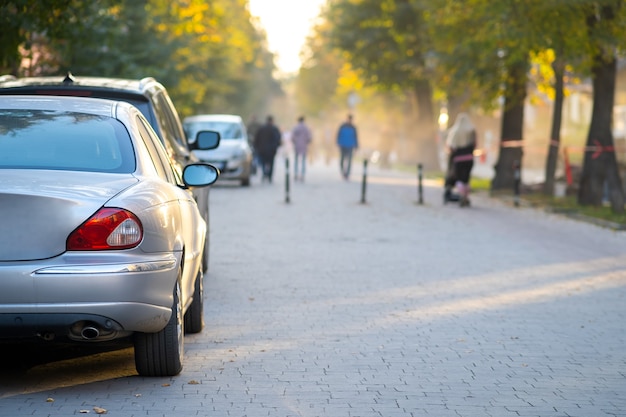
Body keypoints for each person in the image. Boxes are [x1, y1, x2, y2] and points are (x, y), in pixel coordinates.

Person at [445, 112, 476, 207]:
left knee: (459, 179)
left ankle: (461, 195)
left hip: (458, 159)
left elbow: (450, 146)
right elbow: (475, 145)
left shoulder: (455, 131)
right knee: (466, 179)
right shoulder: (471, 130)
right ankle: (465, 197)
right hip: (469, 159)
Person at [254, 115, 282, 183]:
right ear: (272, 121)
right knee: (271, 163)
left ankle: (264, 173)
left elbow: (256, 138)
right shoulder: (274, 128)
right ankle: (269, 176)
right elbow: (278, 139)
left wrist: (257, 147)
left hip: (262, 149)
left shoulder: (261, 128)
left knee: (263, 162)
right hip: (271, 150)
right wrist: (276, 146)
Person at [336, 114, 358, 180]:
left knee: (349, 161)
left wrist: (356, 145)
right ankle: (343, 172)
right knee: (342, 160)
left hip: (350, 145)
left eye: (351, 119)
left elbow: (355, 137)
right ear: (347, 119)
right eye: (349, 119)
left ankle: (347, 174)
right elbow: (338, 135)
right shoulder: (342, 126)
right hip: (342, 145)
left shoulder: (353, 127)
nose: (349, 120)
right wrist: (338, 143)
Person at [291, 116, 312, 181]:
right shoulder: (306, 128)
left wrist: (295, 142)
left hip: (297, 146)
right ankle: (302, 174)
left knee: (296, 160)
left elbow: (292, 137)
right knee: (303, 161)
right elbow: (309, 138)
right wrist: (306, 142)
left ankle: (296, 173)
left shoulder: (296, 127)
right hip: (304, 146)